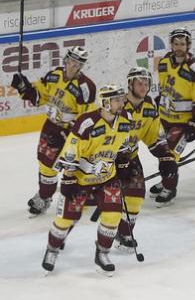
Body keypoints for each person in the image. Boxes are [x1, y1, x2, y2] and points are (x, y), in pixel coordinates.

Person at [41, 84, 132, 277]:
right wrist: (68, 181)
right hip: (80, 180)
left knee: (113, 215)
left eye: (121, 99)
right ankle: (52, 249)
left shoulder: (125, 120)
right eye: (117, 100)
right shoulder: (87, 123)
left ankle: (102, 254)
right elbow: (71, 152)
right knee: (65, 220)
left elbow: (123, 147)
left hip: (107, 178)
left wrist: (123, 166)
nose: (121, 102)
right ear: (106, 102)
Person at [11, 46, 95, 215]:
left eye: (77, 64)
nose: (73, 66)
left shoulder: (85, 87)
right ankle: (45, 196)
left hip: (69, 132)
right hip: (50, 127)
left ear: (81, 66)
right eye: (71, 61)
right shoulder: (54, 75)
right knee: (45, 163)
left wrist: (72, 134)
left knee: (76, 164)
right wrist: (24, 87)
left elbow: (86, 118)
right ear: (66, 59)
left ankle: (85, 192)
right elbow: (39, 97)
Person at [116, 68, 179, 249]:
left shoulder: (149, 108)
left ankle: (124, 234)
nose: (143, 87)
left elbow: (154, 138)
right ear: (130, 84)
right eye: (139, 83)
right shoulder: (117, 104)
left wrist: (166, 157)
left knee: (136, 195)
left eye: (146, 83)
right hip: (107, 157)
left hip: (130, 156)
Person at [155, 28, 195, 204]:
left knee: (169, 153)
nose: (179, 47)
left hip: (183, 121)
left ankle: (169, 188)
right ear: (171, 45)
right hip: (164, 118)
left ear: (188, 45)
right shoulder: (164, 62)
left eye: (182, 44)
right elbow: (164, 89)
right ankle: (165, 179)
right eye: (176, 43)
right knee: (162, 152)